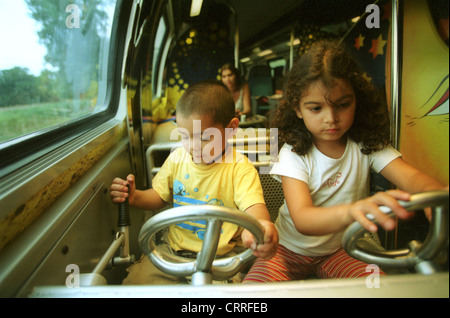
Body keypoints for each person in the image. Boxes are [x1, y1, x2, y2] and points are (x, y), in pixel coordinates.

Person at [243, 40, 447, 283]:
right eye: (316, 108)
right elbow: (303, 219)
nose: (331, 119)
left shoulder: (365, 144)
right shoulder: (293, 153)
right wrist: (352, 211)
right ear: (298, 108)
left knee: (379, 289)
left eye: (342, 105)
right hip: (287, 251)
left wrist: (434, 194)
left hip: (342, 250)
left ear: (356, 101)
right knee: (253, 293)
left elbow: (411, 178)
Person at [110, 80, 278, 284]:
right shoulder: (176, 159)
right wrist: (134, 196)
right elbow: (157, 196)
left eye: (205, 138)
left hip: (222, 259)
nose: (193, 147)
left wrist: (261, 229)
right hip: (172, 252)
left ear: (231, 128)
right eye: (185, 137)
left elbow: (255, 211)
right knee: (137, 286)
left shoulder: (240, 168)